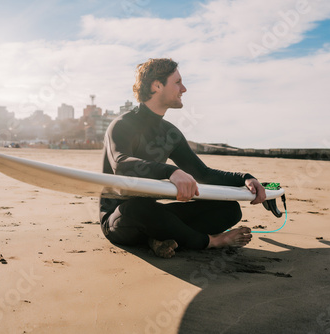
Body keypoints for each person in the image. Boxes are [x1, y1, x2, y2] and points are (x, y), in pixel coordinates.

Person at [99, 58, 266, 258]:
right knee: (139, 208)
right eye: (177, 82)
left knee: (229, 209)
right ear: (157, 85)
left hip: (156, 216)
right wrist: (171, 171)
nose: (184, 89)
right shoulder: (122, 125)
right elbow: (121, 164)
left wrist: (245, 178)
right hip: (120, 219)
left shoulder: (170, 133)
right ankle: (211, 241)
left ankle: (157, 238)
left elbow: (203, 173)